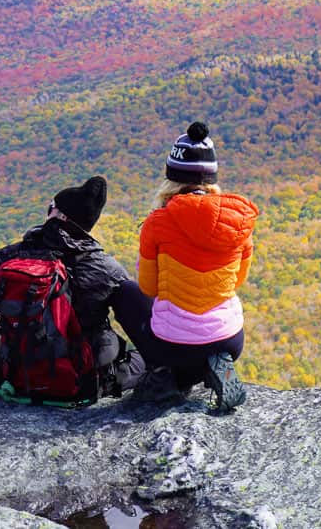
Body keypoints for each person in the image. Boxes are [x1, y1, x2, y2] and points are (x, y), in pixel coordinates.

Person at [0, 175, 145, 398]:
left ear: (57, 215)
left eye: (50, 207)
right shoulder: (106, 268)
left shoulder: (17, 254)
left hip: (17, 376)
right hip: (83, 383)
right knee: (142, 357)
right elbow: (140, 320)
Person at [111, 121, 259, 412]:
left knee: (125, 292)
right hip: (229, 339)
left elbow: (149, 288)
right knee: (203, 324)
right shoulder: (239, 221)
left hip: (174, 346)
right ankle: (209, 366)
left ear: (172, 178)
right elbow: (238, 280)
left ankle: (169, 376)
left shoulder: (158, 222)